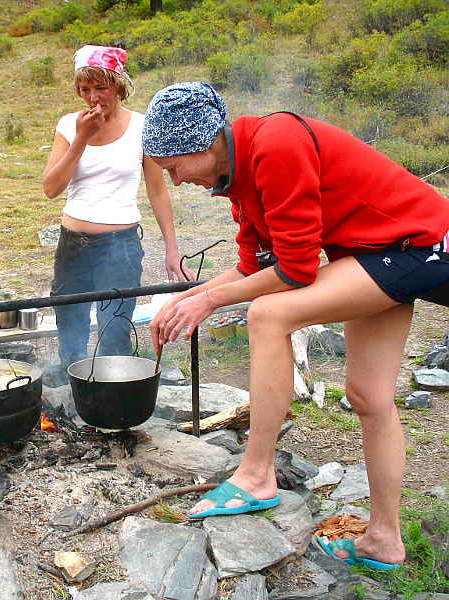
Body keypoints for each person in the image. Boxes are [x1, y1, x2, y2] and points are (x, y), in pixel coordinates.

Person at [142, 82, 449, 571]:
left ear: (203, 142)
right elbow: (253, 267)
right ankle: (384, 540)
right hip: (375, 252)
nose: (176, 181)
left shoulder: (277, 143)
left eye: (174, 167)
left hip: (419, 244)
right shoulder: (237, 177)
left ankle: (256, 473)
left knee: (269, 314)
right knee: (369, 396)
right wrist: (187, 297)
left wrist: (210, 302)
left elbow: (296, 271)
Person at [42, 45, 190, 375]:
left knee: (115, 327)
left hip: (120, 245)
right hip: (73, 244)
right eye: (85, 89)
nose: (93, 98)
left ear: (119, 85)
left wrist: (172, 249)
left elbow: (157, 190)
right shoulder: (69, 126)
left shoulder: (142, 126)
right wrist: (82, 138)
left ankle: (115, 391)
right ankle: (74, 388)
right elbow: (51, 188)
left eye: (101, 88)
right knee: (70, 322)